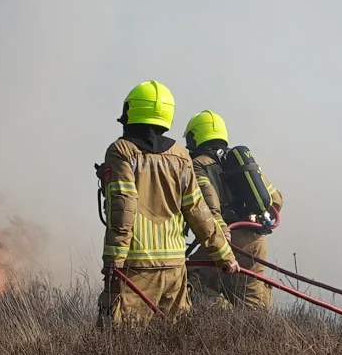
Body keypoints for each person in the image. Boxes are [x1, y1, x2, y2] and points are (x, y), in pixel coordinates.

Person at [98, 81, 235, 328]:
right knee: (174, 340)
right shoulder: (181, 156)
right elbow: (198, 210)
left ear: (132, 111)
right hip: (174, 268)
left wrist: (113, 263)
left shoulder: (121, 151)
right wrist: (224, 254)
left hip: (136, 267)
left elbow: (123, 209)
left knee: (119, 343)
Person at [181, 109, 284, 310]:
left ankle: (224, 315)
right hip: (256, 242)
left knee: (188, 279)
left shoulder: (198, 165)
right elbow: (277, 200)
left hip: (227, 238)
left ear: (195, 137)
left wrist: (220, 237)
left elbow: (210, 209)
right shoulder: (239, 162)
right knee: (252, 307)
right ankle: (253, 334)